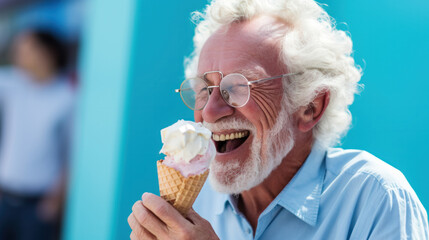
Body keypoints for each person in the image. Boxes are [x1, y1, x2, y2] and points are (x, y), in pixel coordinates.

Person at [128, 0, 429, 239]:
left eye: (238, 87)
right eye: (205, 89)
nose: (210, 111)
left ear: (310, 106)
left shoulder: (376, 200)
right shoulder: (197, 203)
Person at [0, 29, 75, 240]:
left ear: (47, 52)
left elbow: (71, 154)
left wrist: (56, 200)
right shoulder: (13, 84)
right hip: (6, 198)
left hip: (39, 205)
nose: (17, 55)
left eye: (25, 48)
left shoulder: (67, 96)